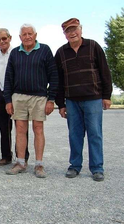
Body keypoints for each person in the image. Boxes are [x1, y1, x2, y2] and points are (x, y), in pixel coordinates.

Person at [55, 18, 112, 182]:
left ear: (81, 29)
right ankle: (74, 166)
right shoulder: (61, 52)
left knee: (95, 134)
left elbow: (105, 71)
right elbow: (58, 80)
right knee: (74, 135)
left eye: (74, 29)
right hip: (72, 101)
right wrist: (61, 104)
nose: (72, 33)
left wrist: (106, 96)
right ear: (64, 34)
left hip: (93, 98)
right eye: (68, 31)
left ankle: (97, 168)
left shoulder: (93, 46)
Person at [4, 24, 58, 178]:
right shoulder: (14, 53)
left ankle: (39, 165)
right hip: (18, 96)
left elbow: (53, 76)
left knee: (38, 129)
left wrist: (51, 99)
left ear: (35, 35)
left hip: (39, 97)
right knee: (20, 129)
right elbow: (8, 79)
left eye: (30, 34)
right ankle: (20, 162)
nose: (27, 37)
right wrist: (8, 100)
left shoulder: (45, 50)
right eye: (24, 34)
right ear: (20, 37)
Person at [0, 28, 30, 166]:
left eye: (4, 38)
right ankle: (6, 156)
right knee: (4, 129)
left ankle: (22, 156)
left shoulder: (19, 53)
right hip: (0, 98)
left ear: (10, 38)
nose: (1, 42)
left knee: (21, 128)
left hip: (17, 96)